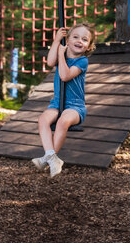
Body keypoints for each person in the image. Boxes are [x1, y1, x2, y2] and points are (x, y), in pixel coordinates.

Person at [32, 22, 95, 178]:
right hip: (57, 103)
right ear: (67, 41)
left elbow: (65, 76)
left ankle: (49, 158)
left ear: (88, 47)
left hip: (75, 106)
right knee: (43, 120)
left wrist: (61, 54)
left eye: (85, 39)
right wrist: (56, 41)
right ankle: (51, 157)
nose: (79, 41)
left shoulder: (82, 61)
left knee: (63, 121)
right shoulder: (62, 53)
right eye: (75, 37)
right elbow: (50, 62)